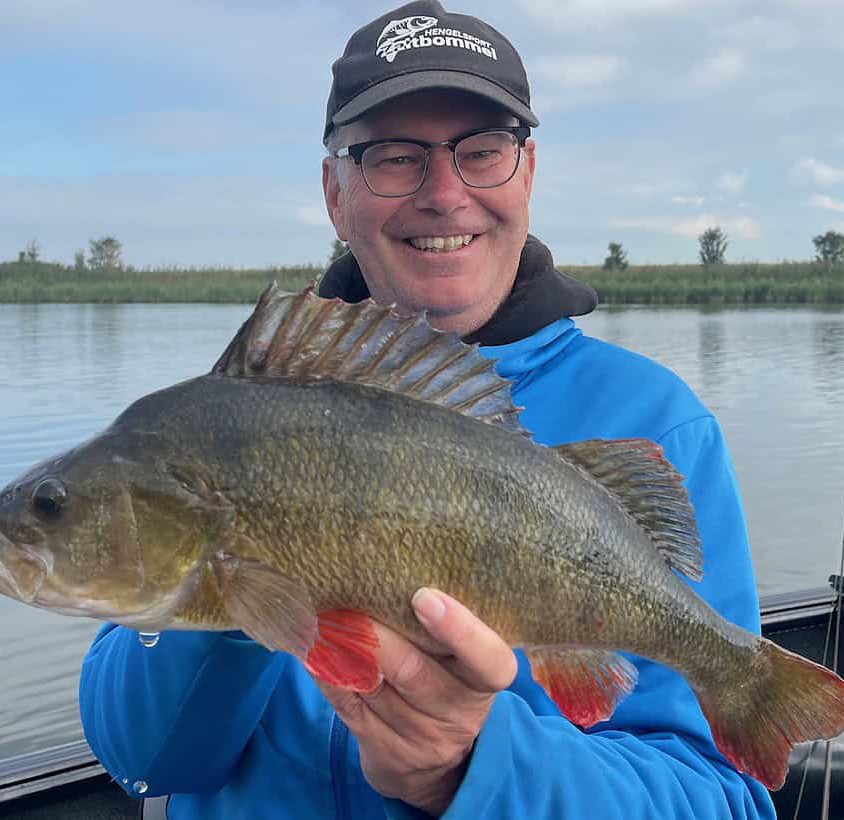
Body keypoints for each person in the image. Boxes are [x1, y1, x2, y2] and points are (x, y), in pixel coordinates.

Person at [79, 2, 776, 817]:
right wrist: (238, 589)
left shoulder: (653, 420)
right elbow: (145, 760)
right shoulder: (240, 416)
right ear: (335, 192)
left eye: (481, 151)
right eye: (393, 158)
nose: (445, 193)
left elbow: (721, 799)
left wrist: (473, 769)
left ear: (527, 175)